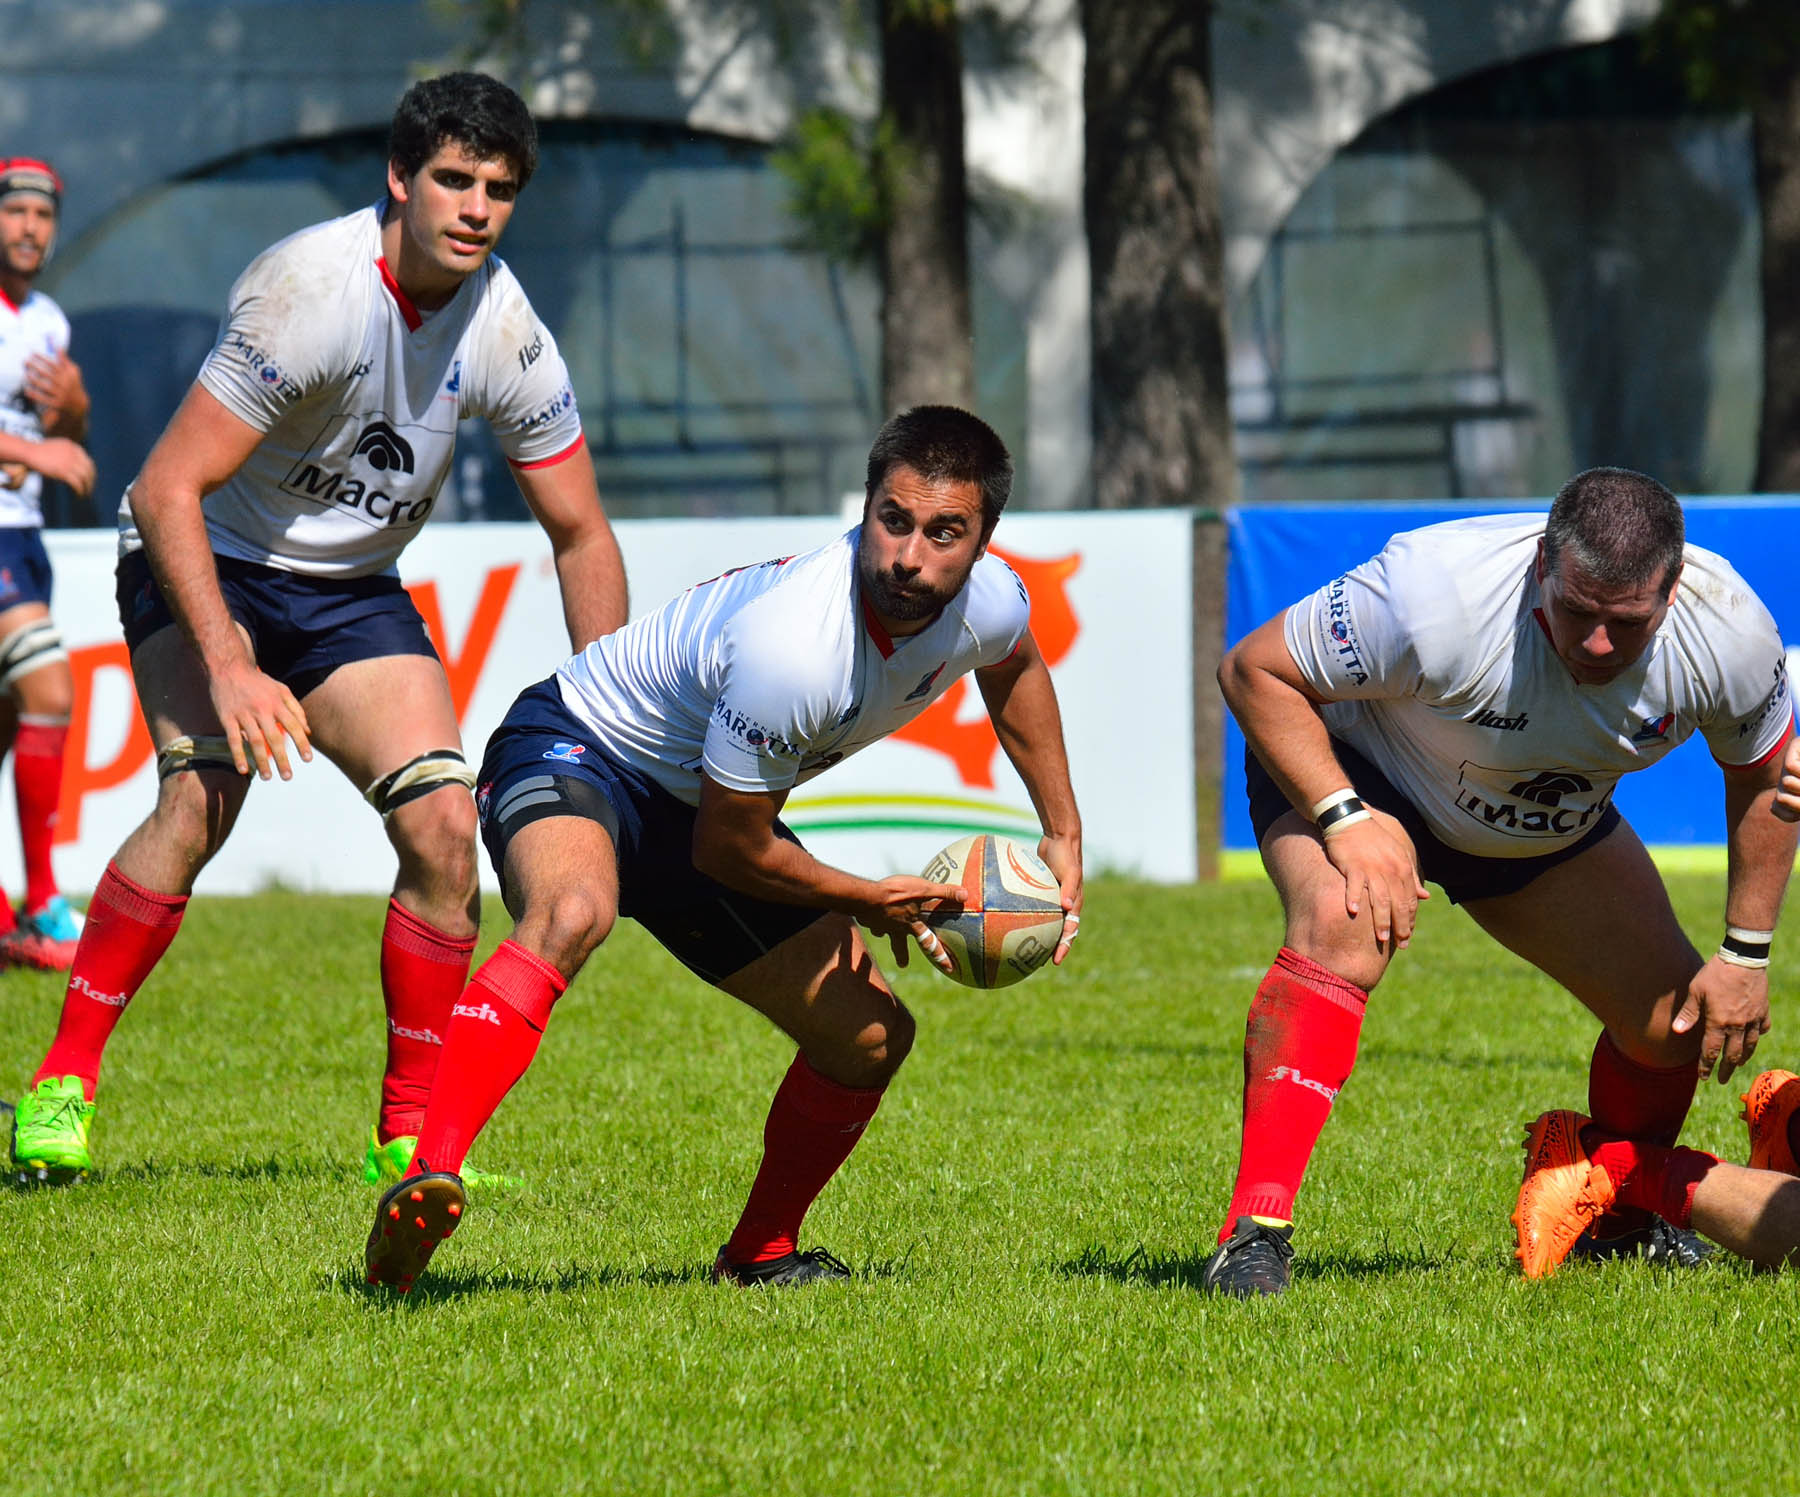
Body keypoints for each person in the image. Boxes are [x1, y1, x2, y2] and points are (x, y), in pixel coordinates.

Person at [8, 74, 627, 1189]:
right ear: (399, 178)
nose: (475, 208)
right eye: (453, 179)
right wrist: (230, 663)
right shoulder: (310, 291)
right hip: (205, 557)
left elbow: (581, 533)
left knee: (445, 828)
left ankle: (409, 1133)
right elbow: (163, 489)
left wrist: (612, 724)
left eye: (498, 189)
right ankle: (64, 1082)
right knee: (201, 797)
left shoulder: (507, 327)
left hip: (348, 589)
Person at [361, 405, 1083, 1293]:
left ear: (983, 541)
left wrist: (1063, 830)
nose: (908, 556)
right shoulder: (798, 648)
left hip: (700, 808)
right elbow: (731, 850)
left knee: (867, 1037)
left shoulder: (992, 602)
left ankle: (759, 1254)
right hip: (579, 745)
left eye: (944, 533)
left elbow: (1015, 667)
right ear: (865, 507)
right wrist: (865, 897)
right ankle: (426, 1178)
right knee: (573, 911)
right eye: (893, 520)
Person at [1207, 467, 1796, 1296]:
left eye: (1626, 623)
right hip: (1364, 774)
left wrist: (1744, 953)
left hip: (1539, 821)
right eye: (1577, 611)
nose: (1598, 644)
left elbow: (1766, 778)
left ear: (1671, 592)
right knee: (1343, 920)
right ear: (1541, 565)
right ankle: (1253, 1234)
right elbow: (1254, 671)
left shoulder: (1728, 627)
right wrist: (1345, 817)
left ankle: (1614, 1219)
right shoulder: (1435, 592)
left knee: (1671, 1027)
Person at [0, 156, 99, 969]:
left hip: (24, 535)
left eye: (43, 215)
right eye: (15, 212)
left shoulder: (48, 321)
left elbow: (66, 423)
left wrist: (76, 411)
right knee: (50, 688)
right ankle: (43, 904)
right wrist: (39, 449)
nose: (30, 228)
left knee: (7, 721)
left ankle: (11, 915)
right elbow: (39, 446)